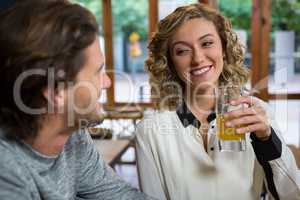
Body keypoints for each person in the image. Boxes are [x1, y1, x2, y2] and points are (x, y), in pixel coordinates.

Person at [135, 3, 300, 200]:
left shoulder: (255, 113)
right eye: (182, 51)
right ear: (169, 62)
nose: (197, 59)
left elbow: (292, 195)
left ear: (223, 47)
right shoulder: (150, 132)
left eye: (207, 44)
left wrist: (266, 140)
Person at [0, 0, 154, 199]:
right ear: (57, 92)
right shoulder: (7, 172)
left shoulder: (73, 134)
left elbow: (118, 195)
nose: (107, 82)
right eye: (98, 71)